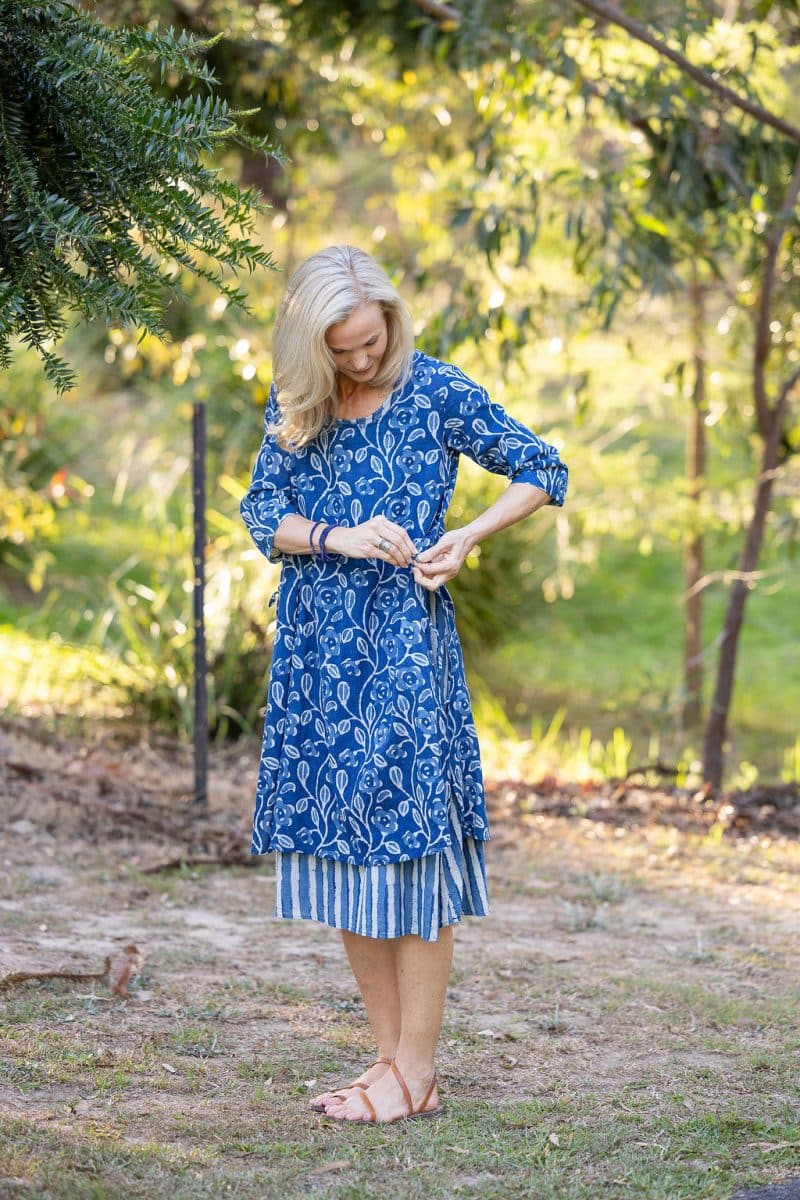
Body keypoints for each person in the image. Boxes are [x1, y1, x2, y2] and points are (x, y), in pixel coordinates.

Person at [240, 244, 568, 1125]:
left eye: (370, 343)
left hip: (403, 659)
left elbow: (545, 467)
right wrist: (337, 535)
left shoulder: (435, 391)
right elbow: (261, 514)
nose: (359, 362)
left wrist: (467, 535)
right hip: (317, 656)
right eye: (341, 349)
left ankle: (416, 1071)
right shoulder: (299, 402)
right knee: (349, 850)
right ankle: (389, 1063)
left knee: (412, 854)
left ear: (392, 320)